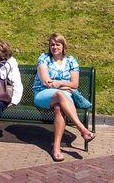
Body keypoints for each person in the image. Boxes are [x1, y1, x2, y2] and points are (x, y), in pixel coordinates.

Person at [33, 33, 95, 162]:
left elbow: (75, 84)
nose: (54, 47)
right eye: (52, 45)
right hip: (43, 94)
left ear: (63, 46)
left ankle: (56, 148)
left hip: (64, 96)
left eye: (57, 44)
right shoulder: (44, 58)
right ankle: (82, 129)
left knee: (59, 109)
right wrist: (64, 86)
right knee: (60, 95)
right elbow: (46, 82)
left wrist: (60, 83)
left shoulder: (71, 60)